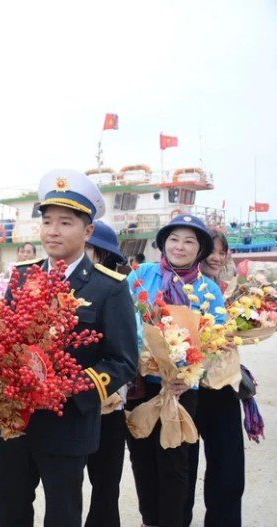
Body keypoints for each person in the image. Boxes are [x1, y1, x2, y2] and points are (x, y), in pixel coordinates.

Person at [0, 169, 138, 527]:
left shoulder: (109, 287)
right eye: (46, 221)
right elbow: (5, 341)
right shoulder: (22, 276)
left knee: (62, 513)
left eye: (65, 222)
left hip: (68, 422)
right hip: (15, 420)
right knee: (10, 511)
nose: (53, 230)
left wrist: (69, 387)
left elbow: (122, 361)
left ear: (88, 231)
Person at [125, 214, 226, 527]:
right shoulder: (141, 276)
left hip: (182, 390)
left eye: (189, 241)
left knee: (175, 463)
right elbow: (125, 323)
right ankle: (149, 521)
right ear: (163, 243)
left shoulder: (208, 290)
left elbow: (217, 342)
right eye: (173, 239)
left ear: (199, 249)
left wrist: (190, 374)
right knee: (141, 458)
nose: (179, 246)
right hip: (141, 385)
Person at [184, 229, 245, 527]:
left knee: (229, 469)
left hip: (223, 387)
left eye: (222, 251)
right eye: (211, 249)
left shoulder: (237, 293)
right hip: (186, 387)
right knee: (181, 470)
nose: (216, 257)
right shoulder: (182, 288)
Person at [83, 220, 129, 527]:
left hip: (108, 404)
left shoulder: (117, 291)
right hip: (68, 405)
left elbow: (128, 351)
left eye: (88, 250)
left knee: (105, 485)